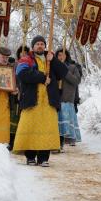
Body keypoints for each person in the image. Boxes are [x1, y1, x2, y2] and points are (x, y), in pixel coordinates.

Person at [13, 36, 68, 167]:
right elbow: (22, 73)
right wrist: (42, 77)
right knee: (30, 127)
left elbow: (63, 73)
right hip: (32, 99)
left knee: (46, 128)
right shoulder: (26, 59)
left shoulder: (51, 58)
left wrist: (53, 60)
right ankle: (30, 157)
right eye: (37, 44)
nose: (40, 46)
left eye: (42, 44)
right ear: (33, 46)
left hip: (49, 101)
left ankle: (43, 158)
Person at [56, 49, 82, 150]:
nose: (61, 57)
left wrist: (65, 72)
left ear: (66, 56)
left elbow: (76, 80)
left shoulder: (72, 68)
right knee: (56, 121)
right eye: (59, 55)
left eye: (63, 55)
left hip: (67, 98)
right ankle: (57, 143)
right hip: (56, 98)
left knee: (64, 120)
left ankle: (63, 142)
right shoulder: (54, 67)